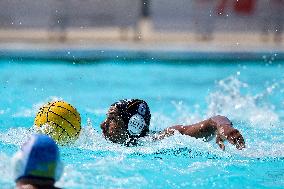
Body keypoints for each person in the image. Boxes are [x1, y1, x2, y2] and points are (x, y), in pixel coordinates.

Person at [101, 99, 245, 150]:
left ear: (134, 124)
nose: (103, 125)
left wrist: (223, 127)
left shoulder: (165, 138)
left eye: (112, 119)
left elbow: (217, 118)